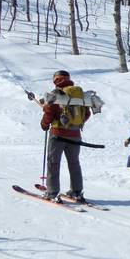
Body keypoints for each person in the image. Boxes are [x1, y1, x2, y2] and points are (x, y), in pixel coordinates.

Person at [40, 70, 91, 201]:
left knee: (53, 163)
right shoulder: (79, 94)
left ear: (56, 80)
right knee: (74, 163)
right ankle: (76, 191)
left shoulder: (56, 93)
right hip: (75, 135)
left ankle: (52, 192)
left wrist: (44, 124)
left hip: (58, 134)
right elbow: (87, 114)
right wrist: (75, 124)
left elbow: (49, 113)